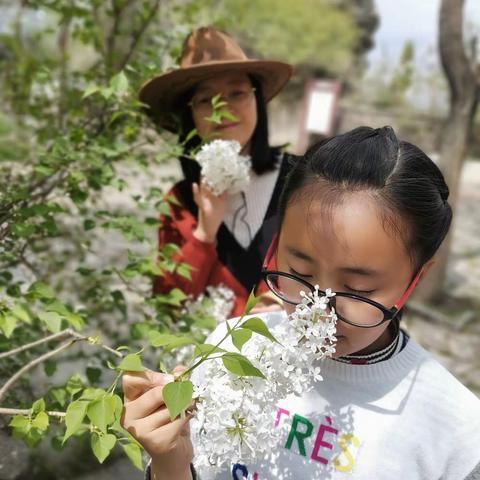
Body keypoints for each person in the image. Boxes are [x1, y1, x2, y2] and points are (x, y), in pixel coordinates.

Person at [121, 127, 480, 479]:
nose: (316, 312)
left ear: (417, 277)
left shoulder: (458, 435)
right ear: (275, 247)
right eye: (300, 272)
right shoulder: (230, 347)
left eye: (356, 289)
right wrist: (170, 463)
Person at [139, 26, 296, 317]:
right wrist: (203, 233)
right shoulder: (182, 202)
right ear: (191, 116)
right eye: (205, 99)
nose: (222, 108)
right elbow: (170, 309)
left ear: (257, 101)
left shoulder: (303, 183)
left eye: (237, 93)